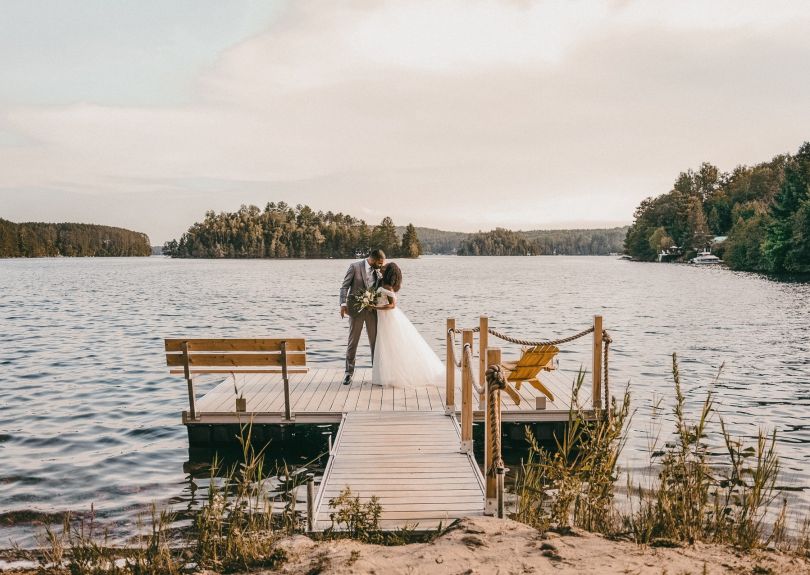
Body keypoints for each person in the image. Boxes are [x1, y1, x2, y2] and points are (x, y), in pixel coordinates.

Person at [372, 262, 445, 388]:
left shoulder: (388, 287)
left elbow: (392, 305)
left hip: (389, 318)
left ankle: (398, 374)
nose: (382, 268)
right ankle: (386, 375)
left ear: (388, 271)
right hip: (383, 319)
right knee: (386, 345)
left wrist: (374, 306)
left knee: (393, 345)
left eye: (384, 267)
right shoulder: (382, 282)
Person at [339, 249, 386, 385]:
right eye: (380, 263)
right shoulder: (355, 267)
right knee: (353, 342)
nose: (381, 265)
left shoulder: (379, 271)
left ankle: (377, 374)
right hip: (355, 311)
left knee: (375, 343)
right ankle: (348, 373)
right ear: (373, 259)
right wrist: (343, 304)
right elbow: (344, 287)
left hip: (372, 311)